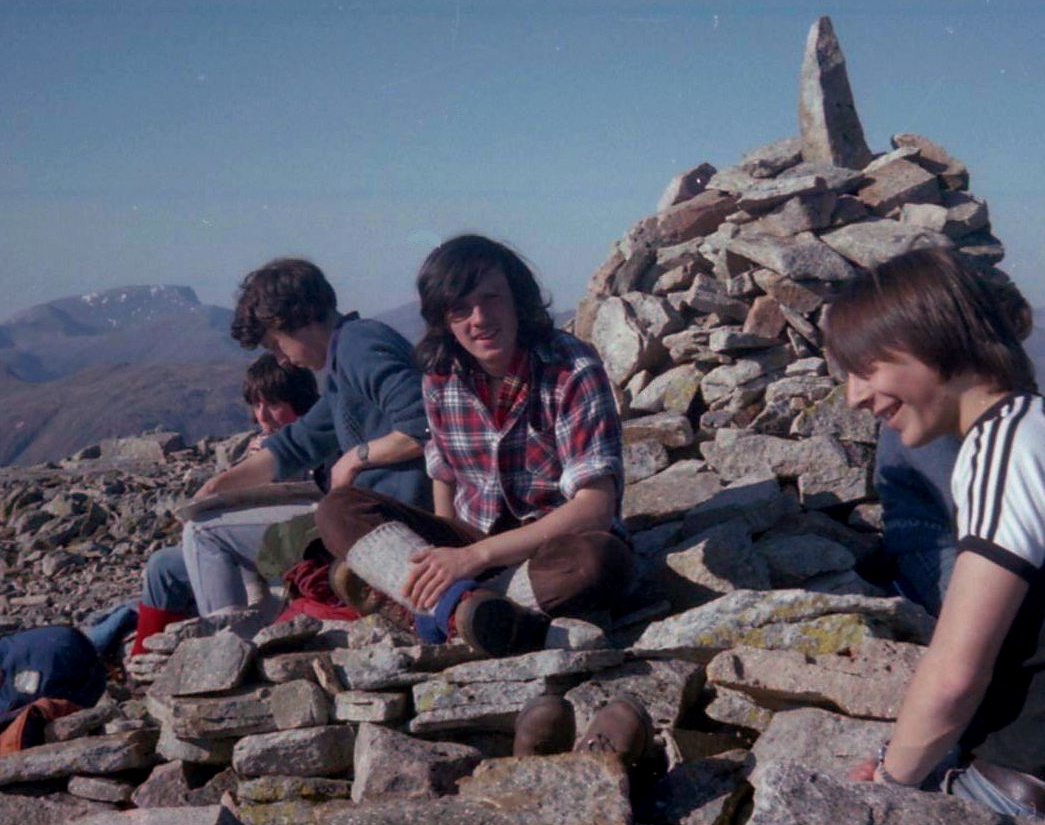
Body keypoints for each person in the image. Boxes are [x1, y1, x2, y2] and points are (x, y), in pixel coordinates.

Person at [824, 247, 1045, 825]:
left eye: (867, 369)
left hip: (1022, 803)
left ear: (932, 343)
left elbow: (955, 674)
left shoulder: (1004, 446)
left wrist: (891, 783)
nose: (855, 396)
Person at [315, 234, 636, 658]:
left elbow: (595, 507)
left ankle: (433, 608)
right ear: (443, 319)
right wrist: (439, 554)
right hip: (471, 537)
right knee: (337, 510)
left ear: (518, 300)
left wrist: (472, 560)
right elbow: (443, 476)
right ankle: (468, 611)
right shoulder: (440, 377)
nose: (479, 318)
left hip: (547, 543)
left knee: (598, 563)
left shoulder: (572, 369)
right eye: (460, 308)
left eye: (491, 298)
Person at [174, 257, 432, 622]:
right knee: (215, 522)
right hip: (375, 515)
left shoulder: (359, 347)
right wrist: (220, 485)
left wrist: (357, 456)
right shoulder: (344, 361)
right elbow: (298, 443)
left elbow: (427, 424)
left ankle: (228, 649)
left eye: (276, 345)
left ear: (298, 321)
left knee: (204, 534)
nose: (280, 359)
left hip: (391, 520)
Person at [88, 356, 323, 657]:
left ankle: (228, 651)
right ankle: (144, 664)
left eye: (274, 405)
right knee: (163, 566)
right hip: (255, 548)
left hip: (292, 549)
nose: (262, 416)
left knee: (204, 535)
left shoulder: (316, 436)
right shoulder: (260, 441)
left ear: (300, 402)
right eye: (256, 405)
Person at [873, 275, 1034, 617]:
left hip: (965, 537)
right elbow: (961, 504)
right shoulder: (933, 415)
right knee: (1003, 616)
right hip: (933, 542)